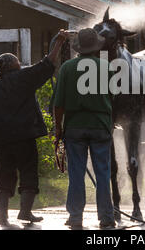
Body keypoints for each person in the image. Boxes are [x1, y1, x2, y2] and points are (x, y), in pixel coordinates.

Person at [0, 30, 69, 227]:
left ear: (0, 69)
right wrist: (59, 42)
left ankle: (3, 215)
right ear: (15, 65)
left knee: (4, 174)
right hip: (24, 137)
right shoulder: (24, 77)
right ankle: (25, 212)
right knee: (29, 172)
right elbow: (47, 64)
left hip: (2, 140)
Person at [52, 28, 115, 230]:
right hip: (100, 126)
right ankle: (106, 217)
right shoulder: (107, 67)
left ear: (78, 48)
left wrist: (58, 130)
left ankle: (76, 217)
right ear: (96, 47)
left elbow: (58, 104)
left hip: (75, 126)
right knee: (103, 173)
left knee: (76, 173)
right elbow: (113, 98)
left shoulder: (67, 68)